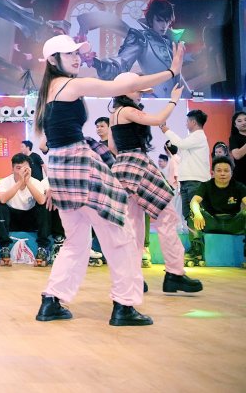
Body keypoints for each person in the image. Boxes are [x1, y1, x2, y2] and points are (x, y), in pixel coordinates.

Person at [34, 34, 184, 327]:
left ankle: (52, 300)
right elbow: (119, 87)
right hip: (80, 167)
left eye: (77, 53)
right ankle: (125, 305)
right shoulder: (70, 85)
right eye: (69, 54)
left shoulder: (47, 93)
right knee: (120, 234)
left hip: (62, 172)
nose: (76, 58)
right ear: (53, 59)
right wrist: (171, 71)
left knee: (76, 241)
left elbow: (45, 143)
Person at [108, 73, 202, 293]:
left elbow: (112, 146)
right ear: (124, 90)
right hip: (138, 165)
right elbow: (159, 120)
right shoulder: (127, 111)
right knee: (166, 215)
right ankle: (174, 274)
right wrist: (173, 100)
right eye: (138, 90)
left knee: (134, 224)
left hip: (123, 166)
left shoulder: (116, 113)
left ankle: (132, 277)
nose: (141, 94)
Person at [92, 0, 183, 98]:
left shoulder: (169, 42)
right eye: (159, 20)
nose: (164, 26)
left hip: (175, 99)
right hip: (153, 98)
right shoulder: (140, 37)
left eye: (167, 21)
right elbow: (122, 63)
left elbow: (177, 77)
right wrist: (101, 65)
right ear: (151, 19)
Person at [161, 109, 210, 263]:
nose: (186, 123)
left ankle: (198, 250)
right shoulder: (194, 138)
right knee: (188, 215)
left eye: (187, 121)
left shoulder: (199, 136)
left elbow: (180, 143)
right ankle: (195, 248)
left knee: (194, 215)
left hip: (196, 181)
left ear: (193, 122)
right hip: (188, 181)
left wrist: (166, 129)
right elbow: (181, 149)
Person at [0, 153, 50, 267]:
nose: (22, 171)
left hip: (30, 219)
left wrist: (27, 182)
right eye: (18, 168)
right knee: (0, 206)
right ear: (12, 169)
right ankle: (4, 247)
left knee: (44, 206)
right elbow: (3, 199)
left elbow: (41, 201)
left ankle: (42, 248)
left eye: (25, 168)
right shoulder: (4, 181)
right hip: (11, 220)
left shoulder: (36, 182)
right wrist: (20, 182)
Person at [188, 157, 246, 264]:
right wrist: (198, 214)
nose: (222, 173)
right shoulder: (205, 185)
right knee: (193, 213)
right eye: (219, 170)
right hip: (211, 222)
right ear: (213, 173)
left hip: (233, 223)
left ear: (231, 173)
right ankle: (196, 252)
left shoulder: (239, 186)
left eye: (226, 170)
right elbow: (194, 201)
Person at [229, 111, 246, 186]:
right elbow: (237, 155)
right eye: (239, 121)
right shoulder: (234, 138)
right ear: (235, 125)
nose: (244, 123)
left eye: (245, 120)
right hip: (241, 177)